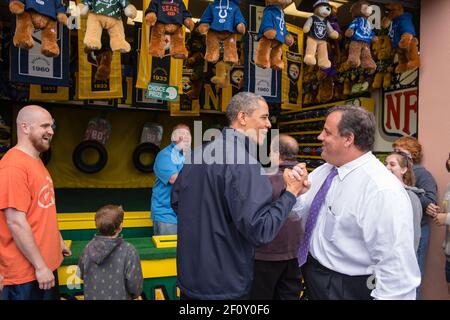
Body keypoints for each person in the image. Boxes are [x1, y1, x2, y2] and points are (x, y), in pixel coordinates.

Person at [171, 92, 310, 300]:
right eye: (263, 117)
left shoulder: (198, 153)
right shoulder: (245, 162)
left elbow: (177, 203)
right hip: (226, 284)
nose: (269, 125)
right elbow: (260, 230)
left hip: (191, 278)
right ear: (243, 118)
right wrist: (291, 192)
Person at [292, 105, 420, 300]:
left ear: (348, 139)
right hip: (313, 277)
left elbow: (397, 271)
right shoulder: (323, 172)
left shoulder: (381, 190)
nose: (320, 137)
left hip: (347, 289)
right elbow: (301, 212)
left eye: (327, 132)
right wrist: (293, 192)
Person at [0, 105, 71, 300]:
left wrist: (57, 239)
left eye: (52, 126)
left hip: (44, 266)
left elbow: (41, 207)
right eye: (45, 126)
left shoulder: (35, 160)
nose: (51, 131)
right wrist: (40, 267)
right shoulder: (13, 166)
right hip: (26, 275)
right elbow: (15, 222)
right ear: (25, 127)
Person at [249, 134, 303, 300]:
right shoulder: (307, 179)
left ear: (276, 153)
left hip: (265, 255)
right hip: (295, 255)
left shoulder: (263, 179)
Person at [392, 136, 438, 296]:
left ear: (413, 154)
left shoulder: (422, 174)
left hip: (418, 230)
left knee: (413, 276)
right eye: (395, 150)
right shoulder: (393, 171)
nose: (396, 154)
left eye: (400, 151)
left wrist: (408, 193)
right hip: (400, 230)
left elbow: (430, 200)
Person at [78, 205, 143, 300]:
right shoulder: (129, 251)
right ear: (121, 226)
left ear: (97, 226)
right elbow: (134, 285)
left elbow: (80, 273)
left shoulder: (88, 247)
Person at [151, 124, 191, 235]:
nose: (185, 137)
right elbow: (174, 179)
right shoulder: (165, 155)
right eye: (181, 134)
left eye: (187, 134)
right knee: (168, 252)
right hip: (167, 215)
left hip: (187, 214)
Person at [385, 151, 424, 253]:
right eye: (386, 164)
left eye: (392, 164)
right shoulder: (382, 193)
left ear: (403, 169)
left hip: (400, 257)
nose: (387, 167)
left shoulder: (411, 197)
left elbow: (414, 232)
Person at [427, 153, 450, 295]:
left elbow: (446, 216)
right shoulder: (449, 186)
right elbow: (445, 211)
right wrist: (434, 211)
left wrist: (446, 218)